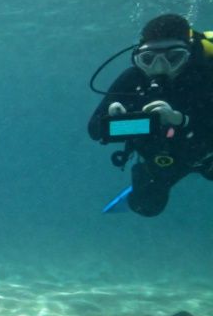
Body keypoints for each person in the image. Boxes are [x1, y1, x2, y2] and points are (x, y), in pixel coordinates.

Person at [88, 13, 213, 216]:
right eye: (148, 59)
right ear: (138, 57)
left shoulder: (208, 75)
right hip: (162, 159)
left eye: (173, 58)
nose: (159, 68)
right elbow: (94, 130)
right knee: (145, 207)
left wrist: (181, 120)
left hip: (208, 156)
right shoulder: (133, 78)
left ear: (189, 53)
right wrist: (114, 120)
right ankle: (143, 178)